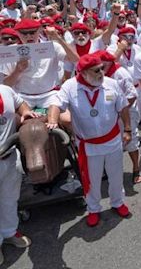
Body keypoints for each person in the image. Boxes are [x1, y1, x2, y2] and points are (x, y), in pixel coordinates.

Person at [47, 54, 132, 227]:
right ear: (84, 73)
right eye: (97, 70)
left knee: (116, 175)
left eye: (102, 68)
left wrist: (128, 129)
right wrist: (53, 121)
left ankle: (117, 202)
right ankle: (94, 209)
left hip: (113, 141)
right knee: (91, 179)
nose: (102, 72)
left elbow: (123, 108)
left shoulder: (111, 84)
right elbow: (55, 104)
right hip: (89, 146)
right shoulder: (70, 87)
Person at [0, 19, 79, 108]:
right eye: (24, 33)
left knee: (66, 120)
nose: (29, 36)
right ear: (17, 33)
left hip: (49, 95)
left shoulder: (52, 46)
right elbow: (6, 85)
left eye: (32, 32)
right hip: (22, 96)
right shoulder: (12, 51)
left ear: (39, 30)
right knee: (12, 119)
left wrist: (58, 38)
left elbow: (75, 59)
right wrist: (17, 70)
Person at [0, 86, 37, 265]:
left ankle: (9, 232)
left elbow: (20, 104)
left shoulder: (5, 90)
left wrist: (26, 112)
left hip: (9, 156)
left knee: (10, 198)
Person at [94, 50, 141, 184]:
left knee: (130, 141)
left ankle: (136, 168)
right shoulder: (98, 74)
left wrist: (120, 111)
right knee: (109, 142)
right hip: (108, 114)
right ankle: (110, 170)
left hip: (126, 113)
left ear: (109, 63)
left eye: (102, 65)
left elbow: (132, 96)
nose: (99, 68)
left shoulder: (121, 74)